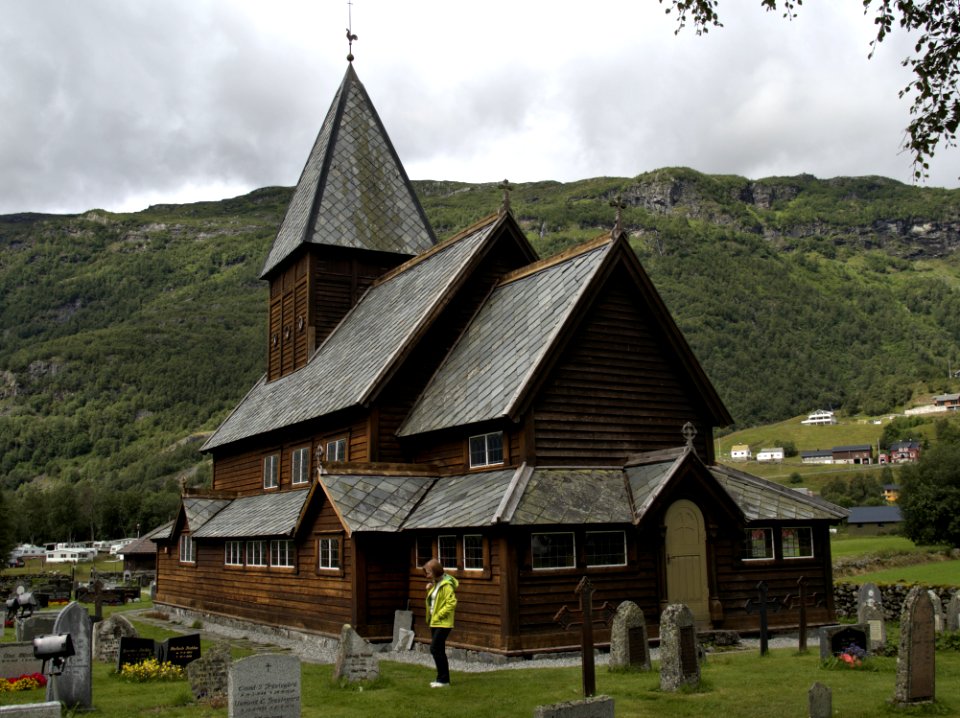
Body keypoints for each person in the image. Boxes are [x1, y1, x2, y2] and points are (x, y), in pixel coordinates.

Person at [423, 557, 458, 687]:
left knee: (435, 648)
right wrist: (429, 589)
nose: (427, 574)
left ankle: (443, 679)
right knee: (439, 649)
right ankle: (443, 679)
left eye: (428, 572)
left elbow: (451, 603)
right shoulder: (436, 584)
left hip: (443, 623)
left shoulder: (447, 585)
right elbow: (434, 600)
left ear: (436, 571)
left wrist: (438, 615)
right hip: (434, 622)